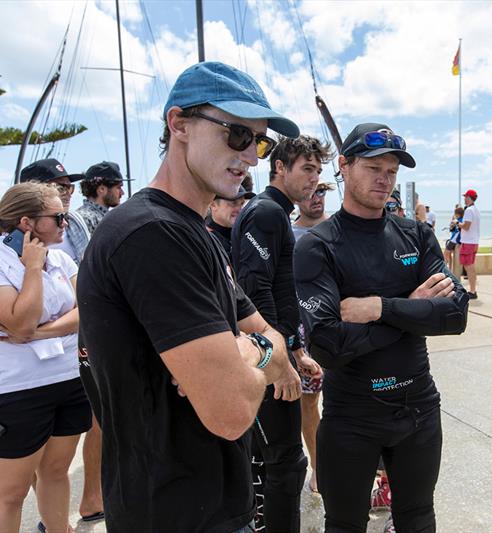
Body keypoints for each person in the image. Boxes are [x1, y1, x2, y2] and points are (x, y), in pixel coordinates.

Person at [76, 61, 295, 532]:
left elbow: (270, 337)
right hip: (173, 512)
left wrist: (248, 351)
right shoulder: (152, 235)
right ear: (179, 124)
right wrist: (258, 353)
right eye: (237, 135)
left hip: (208, 502)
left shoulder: (192, 234)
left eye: (259, 142)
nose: (251, 157)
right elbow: (232, 410)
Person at [294, 122, 469, 532]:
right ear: (344, 165)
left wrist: (380, 308)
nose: (384, 178)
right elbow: (328, 345)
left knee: (418, 519)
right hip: (351, 415)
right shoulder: (318, 245)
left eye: (391, 171)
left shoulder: (416, 235)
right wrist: (412, 312)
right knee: (345, 524)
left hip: (418, 409)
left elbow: (455, 315)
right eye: (373, 166)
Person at [231, 134, 329, 532]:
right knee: (286, 462)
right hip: (268, 356)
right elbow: (255, 293)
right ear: (280, 168)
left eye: (319, 171)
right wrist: (279, 359)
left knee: (276, 460)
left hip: (277, 349)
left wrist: (296, 349)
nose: (313, 179)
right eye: (306, 169)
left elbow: (280, 290)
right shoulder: (267, 213)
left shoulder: (274, 212)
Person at [0, 182, 92, 533]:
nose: (66, 223)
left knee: (56, 473)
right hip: (16, 387)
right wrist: (32, 268)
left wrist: (39, 332)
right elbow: (21, 319)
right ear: (27, 223)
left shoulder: (60, 257)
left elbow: (85, 312)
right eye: (58, 216)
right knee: (11, 491)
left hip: (67, 379)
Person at [74, 160, 132, 524]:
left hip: (89, 331)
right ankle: (98, 497)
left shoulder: (103, 218)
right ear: (101, 187)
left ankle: (96, 497)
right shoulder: (86, 221)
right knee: (103, 421)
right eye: (117, 186)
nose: (122, 192)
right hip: (96, 332)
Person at [291, 180, 334, 493]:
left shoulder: (340, 229)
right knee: (310, 403)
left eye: (321, 191)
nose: (316, 197)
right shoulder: (287, 235)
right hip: (304, 333)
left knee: (352, 403)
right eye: (309, 191)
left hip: (342, 328)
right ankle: (319, 468)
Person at [19, 158, 90, 264]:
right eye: (60, 188)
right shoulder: (15, 238)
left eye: (70, 187)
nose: (69, 194)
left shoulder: (75, 220)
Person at [78, 161, 131, 235]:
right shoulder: (86, 219)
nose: (122, 193)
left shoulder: (86, 217)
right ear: (102, 189)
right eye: (118, 187)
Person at [206, 177, 254, 255]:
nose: (240, 209)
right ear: (213, 204)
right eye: (233, 203)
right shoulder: (206, 240)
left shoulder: (248, 233)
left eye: (242, 203)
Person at [460, 189, 480, 299]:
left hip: (468, 242)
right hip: (474, 241)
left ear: (469, 197)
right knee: (471, 267)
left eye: (465, 197)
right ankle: (473, 290)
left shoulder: (468, 210)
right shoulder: (476, 210)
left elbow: (466, 226)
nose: (464, 198)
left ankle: (472, 291)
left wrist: (457, 223)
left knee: (469, 267)